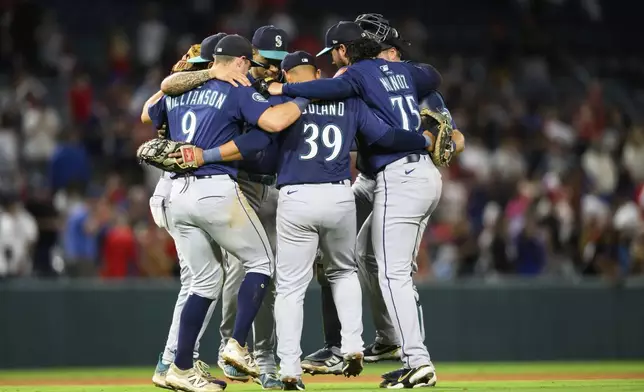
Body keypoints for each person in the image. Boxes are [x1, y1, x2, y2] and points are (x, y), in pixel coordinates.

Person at [167, 50, 440, 390]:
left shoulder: (284, 103)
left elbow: (260, 145)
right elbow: (384, 137)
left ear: (287, 75)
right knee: (343, 272)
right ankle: (352, 345)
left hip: (295, 197)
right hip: (340, 195)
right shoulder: (348, 99)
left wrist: (210, 153)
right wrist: (423, 139)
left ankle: (289, 366)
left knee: (290, 286)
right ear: (317, 72)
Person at [266, 22, 464, 388]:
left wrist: (282, 88)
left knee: (393, 273)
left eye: (336, 52)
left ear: (344, 50)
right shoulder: (404, 71)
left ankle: (418, 361)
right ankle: (389, 339)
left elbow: (333, 90)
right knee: (362, 254)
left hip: (398, 176)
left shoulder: (356, 75)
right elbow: (432, 76)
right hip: (416, 175)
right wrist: (431, 132)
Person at [142, 34, 309, 392]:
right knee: (262, 263)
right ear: (237, 62)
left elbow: (149, 110)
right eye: (247, 61)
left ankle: (179, 366)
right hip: (214, 187)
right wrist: (307, 96)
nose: (251, 66)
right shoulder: (237, 88)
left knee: (202, 282)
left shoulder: (179, 90)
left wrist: (191, 76)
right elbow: (274, 124)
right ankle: (236, 345)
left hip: (177, 191)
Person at [145, 34, 227, 390]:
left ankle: (177, 359)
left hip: (175, 192)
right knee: (200, 282)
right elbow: (147, 110)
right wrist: (191, 72)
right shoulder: (186, 85)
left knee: (199, 281)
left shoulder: (187, 86)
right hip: (176, 189)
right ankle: (174, 361)